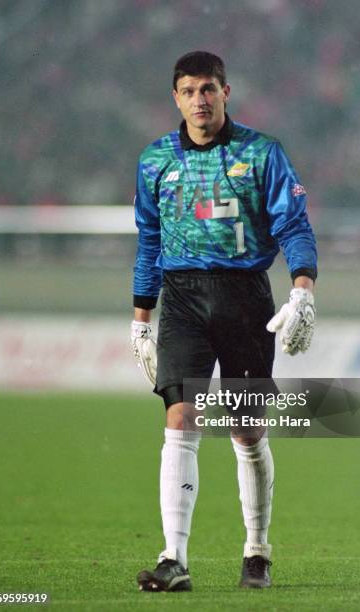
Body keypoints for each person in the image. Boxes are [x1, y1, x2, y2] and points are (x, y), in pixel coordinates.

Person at [131, 51, 317, 592]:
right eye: (189, 91)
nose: (200, 100)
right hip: (182, 298)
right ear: (176, 97)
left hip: (244, 299)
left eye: (208, 89)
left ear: (226, 92)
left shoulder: (262, 153)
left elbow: (294, 225)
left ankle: (256, 549)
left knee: (245, 427)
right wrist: (142, 320)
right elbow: (148, 241)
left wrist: (302, 288)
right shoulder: (154, 161)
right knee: (181, 418)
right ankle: (174, 558)